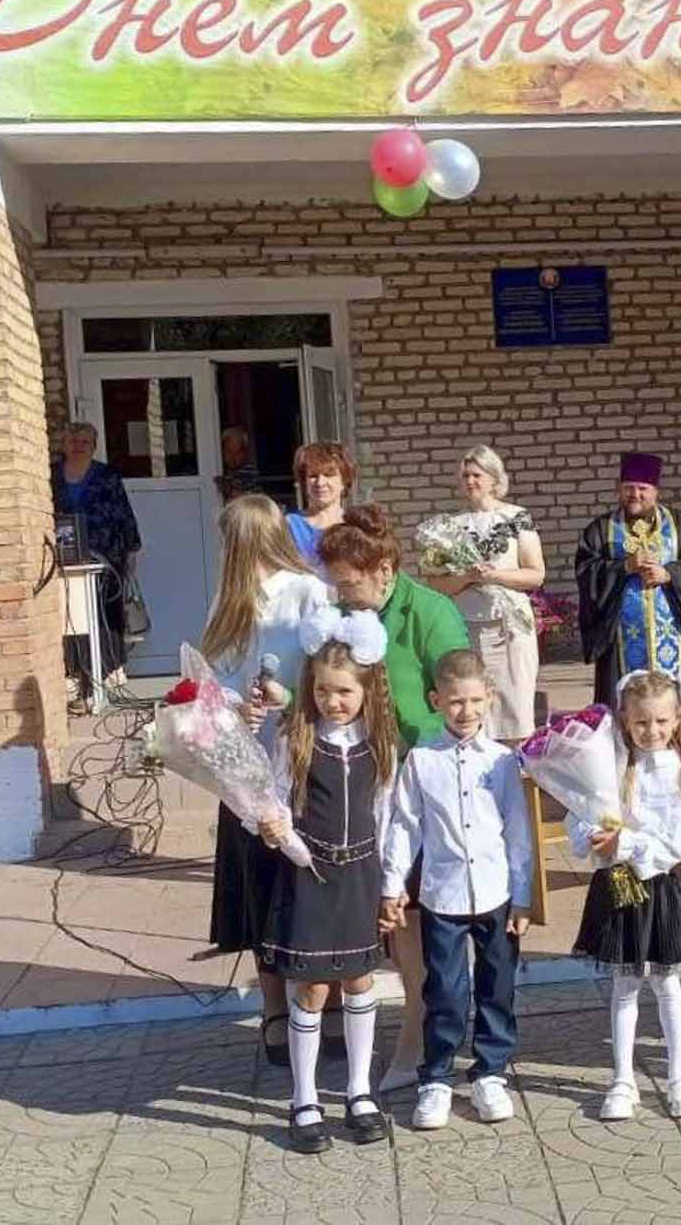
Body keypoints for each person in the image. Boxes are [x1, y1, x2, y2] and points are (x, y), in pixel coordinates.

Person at [318, 503, 471, 1091]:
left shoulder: (430, 612)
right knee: (395, 914)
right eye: (336, 586)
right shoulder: (342, 615)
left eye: (349, 584)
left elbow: (460, 700)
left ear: (383, 570)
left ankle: (421, 1035)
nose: (341, 596)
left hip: (425, 785)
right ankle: (421, 1024)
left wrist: (412, 742)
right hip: (364, 784)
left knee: (424, 916)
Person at [255, 605, 399, 1154]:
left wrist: (391, 885)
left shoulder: (379, 745)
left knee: (360, 980)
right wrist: (278, 833)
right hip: (308, 874)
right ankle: (305, 1098)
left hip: (360, 873)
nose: (332, 701)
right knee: (312, 987)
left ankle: (359, 1091)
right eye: (321, 691)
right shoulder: (295, 738)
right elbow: (271, 800)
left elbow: (387, 815)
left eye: (343, 691)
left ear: (366, 690)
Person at [379, 649, 533, 1131]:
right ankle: (437, 1078)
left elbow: (517, 830)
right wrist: (392, 884)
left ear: (489, 697)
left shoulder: (503, 761)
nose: (466, 711)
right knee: (444, 989)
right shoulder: (423, 760)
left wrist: (523, 895)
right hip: (442, 895)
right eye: (455, 702)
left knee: (497, 986)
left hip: (495, 893)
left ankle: (490, 1072)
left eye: (474, 701)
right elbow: (405, 825)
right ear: (436, 701)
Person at [201, 494, 330, 1066]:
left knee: (305, 882)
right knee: (261, 884)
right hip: (246, 762)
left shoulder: (307, 591)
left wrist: (289, 697)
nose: (228, 548)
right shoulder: (227, 599)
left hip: (299, 750)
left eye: (233, 538)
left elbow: (328, 667)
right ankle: (274, 1005)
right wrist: (236, 705)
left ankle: (323, 999)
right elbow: (212, 676)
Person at [568, 670, 681, 1122]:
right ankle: (622, 1079)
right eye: (642, 722)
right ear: (625, 720)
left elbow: (676, 843)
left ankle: (679, 1076)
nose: (652, 731)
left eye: (661, 721)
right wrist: (590, 834)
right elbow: (582, 810)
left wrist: (624, 844)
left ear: (677, 719)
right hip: (618, 883)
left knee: (667, 983)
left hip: (658, 885)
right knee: (624, 984)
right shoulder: (611, 766)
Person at [576, 452, 681, 733]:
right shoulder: (601, 530)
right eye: (628, 488)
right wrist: (624, 567)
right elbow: (586, 573)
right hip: (621, 641)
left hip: (675, 638)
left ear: (656, 491)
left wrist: (669, 574)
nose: (635, 495)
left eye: (642, 488)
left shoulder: (680, 525)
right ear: (618, 489)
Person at [418, 445, 545, 743]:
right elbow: (436, 585)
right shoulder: (451, 526)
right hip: (467, 627)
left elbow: (536, 574)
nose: (470, 481)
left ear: (494, 478)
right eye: (465, 476)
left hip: (510, 629)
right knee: (471, 700)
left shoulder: (517, 517)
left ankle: (517, 763)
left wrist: (494, 575)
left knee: (515, 704)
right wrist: (468, 577)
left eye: (477, 475)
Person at [51, 420, 142, 676]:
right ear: (64, 445)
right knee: (71, 614)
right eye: (73, 441)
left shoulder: (107, 475)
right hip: (66, 556)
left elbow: (124, 513)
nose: (78, 446)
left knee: (107, 614)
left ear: (94, 447)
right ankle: (76, 673)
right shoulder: (51, 475)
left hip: (107, 555)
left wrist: (132, 549)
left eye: (85, 442)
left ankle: (109, 671)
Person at [287, 441, 354, 573]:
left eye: (329, 475)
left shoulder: (355, 525)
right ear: (304, 483)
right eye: (313, 476)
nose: (320, 482)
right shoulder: (289, 526)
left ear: (344, 481)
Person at [214, 427, 262, 504]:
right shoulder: (224, 469)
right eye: (228, 451)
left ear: (245, 452)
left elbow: (241, 495)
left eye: (237, 452)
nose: (232, 456)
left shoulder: (248, 470)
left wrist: (224, 485)